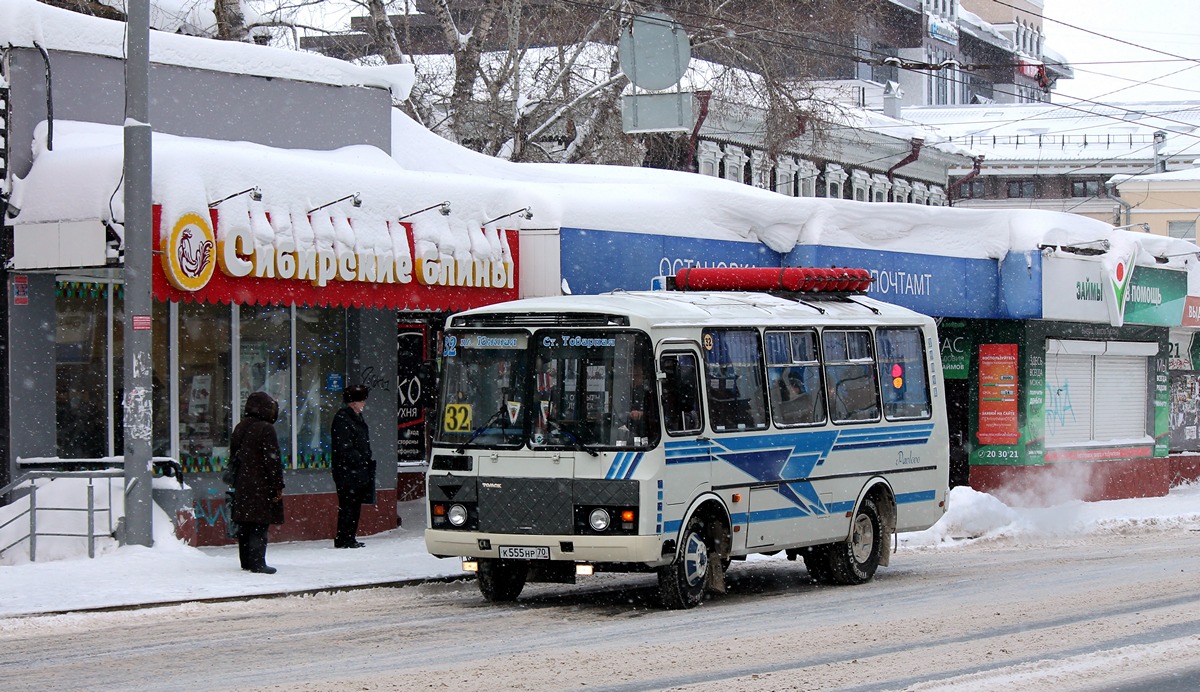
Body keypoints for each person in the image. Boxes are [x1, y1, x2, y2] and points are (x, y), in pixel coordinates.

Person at [230, 391, 285, 574]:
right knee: (259, 525)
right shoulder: (265, 428)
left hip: (242, 483)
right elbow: (273, 460)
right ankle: (258, 562)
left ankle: (246, 560)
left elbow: (234, 456)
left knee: (245, 523)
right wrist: (278, 485)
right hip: (261, 484)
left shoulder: (240, 427)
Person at [331, 384, 375, 548]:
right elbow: (344, 447)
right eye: (361, 400)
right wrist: (360, 458)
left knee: (354, 505)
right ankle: (344, 538)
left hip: (356, 470)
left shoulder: (355, 418)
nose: (363, 404)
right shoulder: (343, 418)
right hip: (348, 471)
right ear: (353, 402)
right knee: (348, 505)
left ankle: (349, 537)